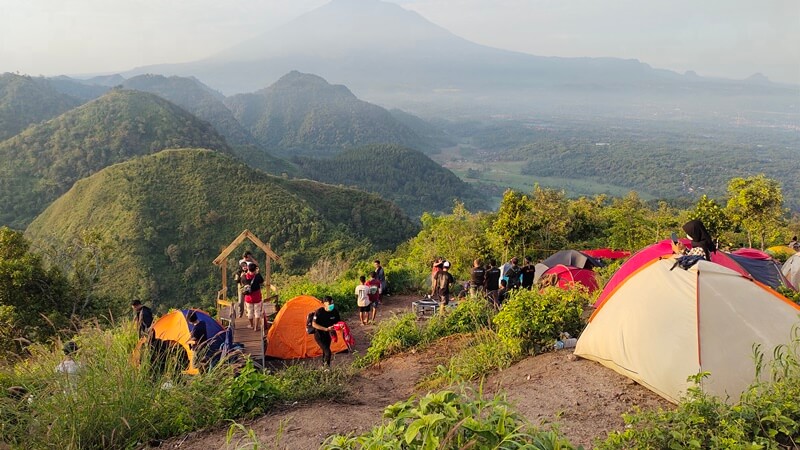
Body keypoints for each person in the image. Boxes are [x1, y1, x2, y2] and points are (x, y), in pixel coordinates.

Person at [312, 296, 341, 368]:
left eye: (332, 303)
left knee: (325, 352)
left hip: (328, 334)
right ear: (324, 304)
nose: (331, 305)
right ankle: (327, 369)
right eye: (329, 304)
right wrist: (325, 329)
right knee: (328, 352)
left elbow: (338, 322)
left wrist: (337, 327)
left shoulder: (335, 312)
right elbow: (314, 324)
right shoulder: (319, 312)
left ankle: (323, 366)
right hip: (319, 335)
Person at [243, 262, 265, 331]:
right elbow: (262, 281)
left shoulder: (244, 277)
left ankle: (252, 325)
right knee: (257, 312)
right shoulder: (257, 276)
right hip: (257, 297)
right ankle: (256, 327)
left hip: (248, 298)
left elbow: (242, 282)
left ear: (248, 269)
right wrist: (257, 273)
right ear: (255, 269)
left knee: (250, 312)